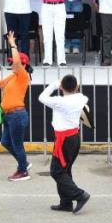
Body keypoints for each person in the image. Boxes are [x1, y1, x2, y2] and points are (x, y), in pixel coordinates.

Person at [38, 74, 91, 213]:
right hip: (73, 137)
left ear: (61, 87)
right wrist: (65, 85)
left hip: (64, 140)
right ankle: (66, 202)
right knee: (65, 170)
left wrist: (54, 85)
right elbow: (77, 92)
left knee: (56, 171)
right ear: (77, 87)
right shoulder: (81, 98)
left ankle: (80, 195)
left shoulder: (60, 101)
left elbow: (42, 97)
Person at [0, 31, 32, 182]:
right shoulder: (13, 76)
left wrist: (13, 44)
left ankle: (23, 171)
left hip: (16, 115)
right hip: (9, 115)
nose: (11, 64)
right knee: (6, 142)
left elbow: (16, 60)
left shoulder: (23, 75)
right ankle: (24, 164)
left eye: (14, 63)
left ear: (22, 64)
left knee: (17, 144)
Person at [34, 0, 75, 66]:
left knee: (60, 35)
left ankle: (61, 60)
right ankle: (47, 60)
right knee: (47, 35)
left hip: (59, 7)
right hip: (47, 7)